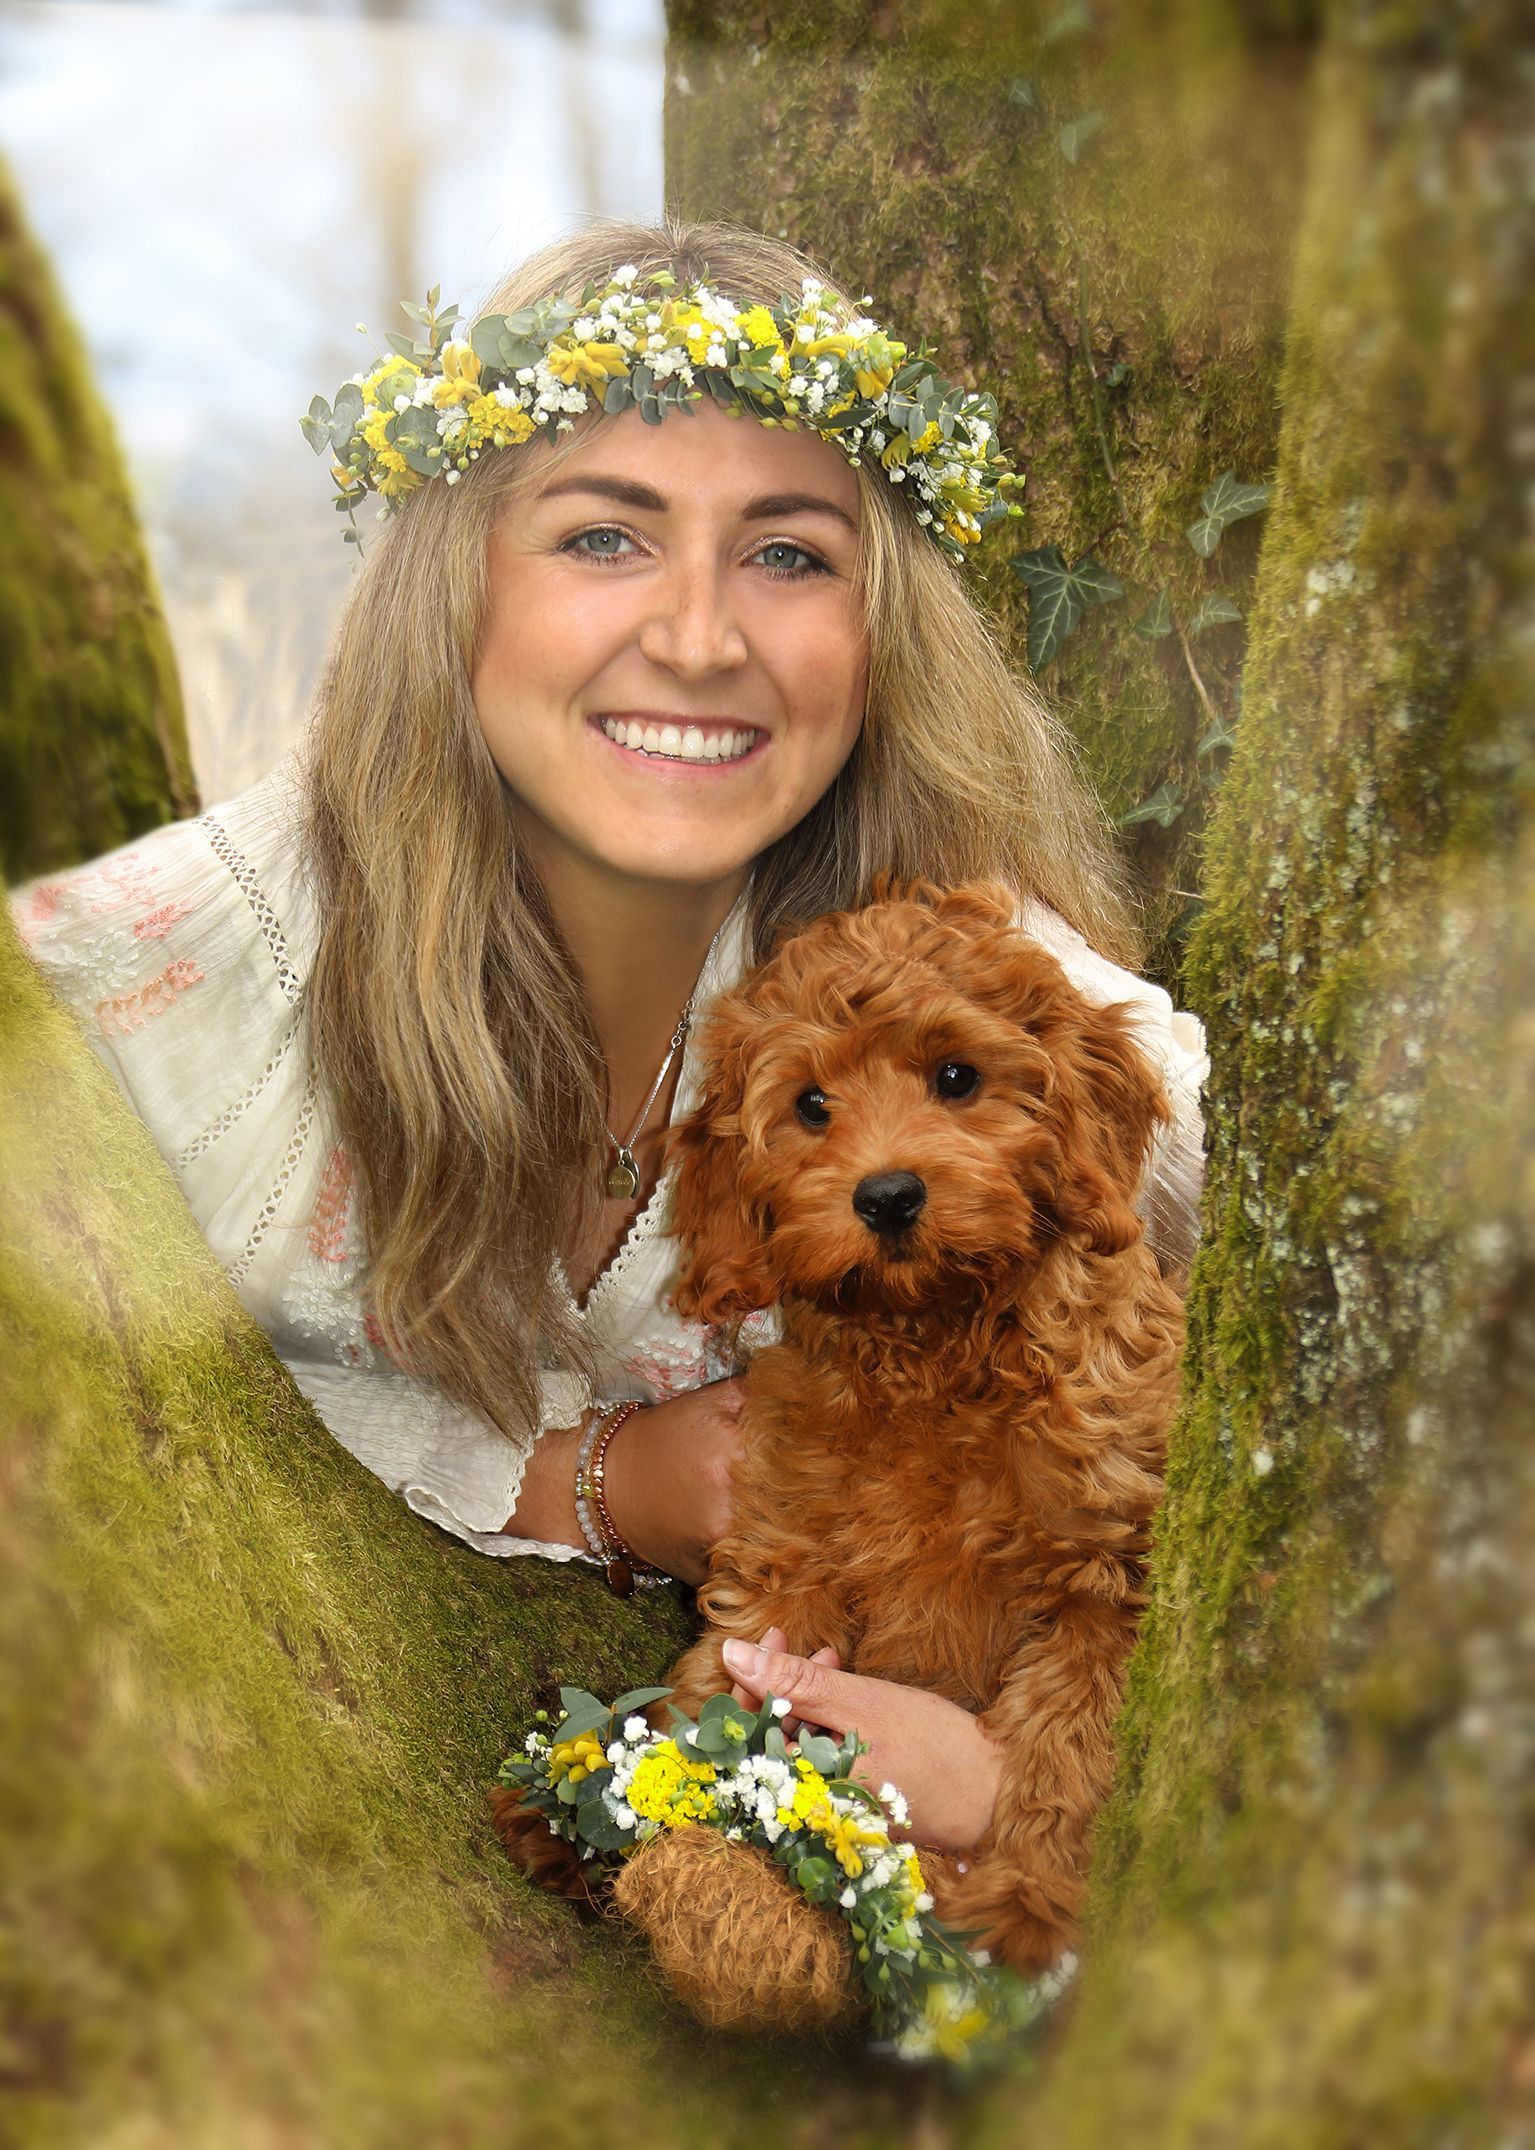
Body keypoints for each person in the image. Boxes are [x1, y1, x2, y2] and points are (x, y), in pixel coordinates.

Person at [14, 217, 1206, 1854]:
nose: (701, 636)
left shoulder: (934, 943)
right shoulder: (198, 958)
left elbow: (1281, 1216)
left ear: (881, 630)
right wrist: (600, 1476)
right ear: (459, 581)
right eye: (603, 536)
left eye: (789, 554)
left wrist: (1018, 1793)